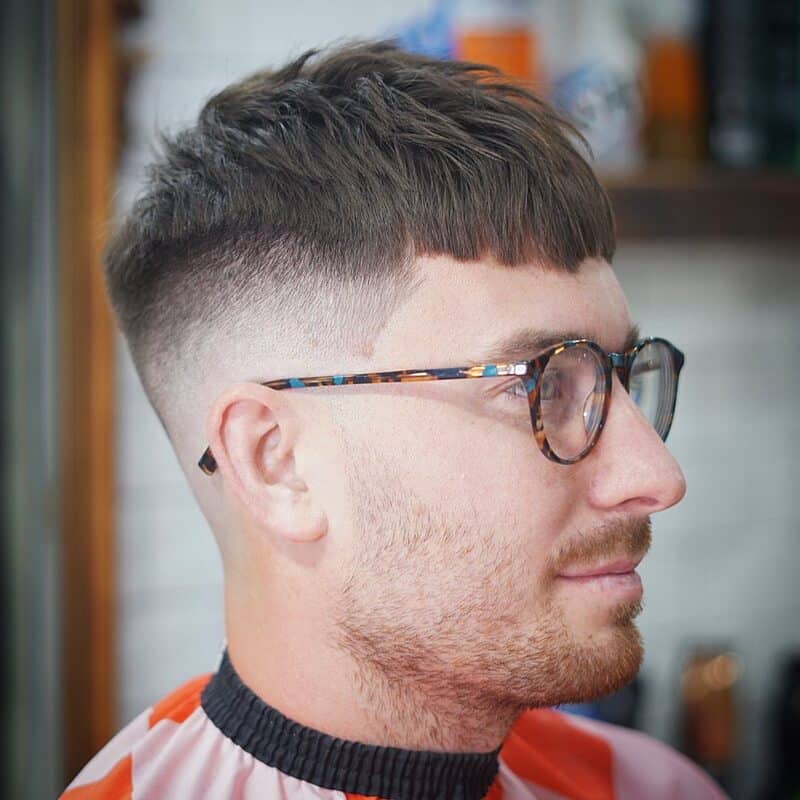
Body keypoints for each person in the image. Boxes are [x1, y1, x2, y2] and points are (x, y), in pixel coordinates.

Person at [61, 41, 726, 800]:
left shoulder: (646, 787)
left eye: (621, 376)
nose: (656, 478)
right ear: (278, 464)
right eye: (538, 384)